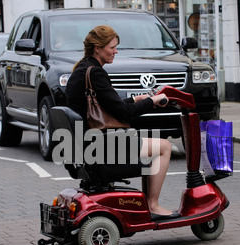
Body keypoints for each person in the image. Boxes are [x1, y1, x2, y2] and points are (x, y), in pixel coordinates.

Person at [66, 25, 180, 219]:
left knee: (150, 145)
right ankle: (152, 204)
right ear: (98, 48)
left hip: (88, 143)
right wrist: (151, 101)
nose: (116, 51)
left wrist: (138, 99)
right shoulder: (95, 73)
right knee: (164, 147)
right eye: (112, 47)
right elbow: (124, 114)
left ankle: (148, 204)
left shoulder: (81, 70)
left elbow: (107, 107)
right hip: (103, 145)